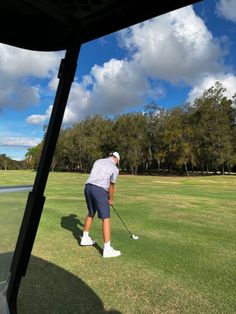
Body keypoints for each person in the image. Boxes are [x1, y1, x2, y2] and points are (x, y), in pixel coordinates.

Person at [80, 152, 121, 258]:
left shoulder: (98, 161)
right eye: (118, 162)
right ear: (116, 159)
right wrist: (110, 200)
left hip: (88, 187)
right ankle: (107, 249)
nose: (117, 164)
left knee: (91, 213)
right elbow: (111, 187)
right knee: (106, 218)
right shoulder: (115, 168)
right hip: (99, 190)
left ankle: (85, 238)